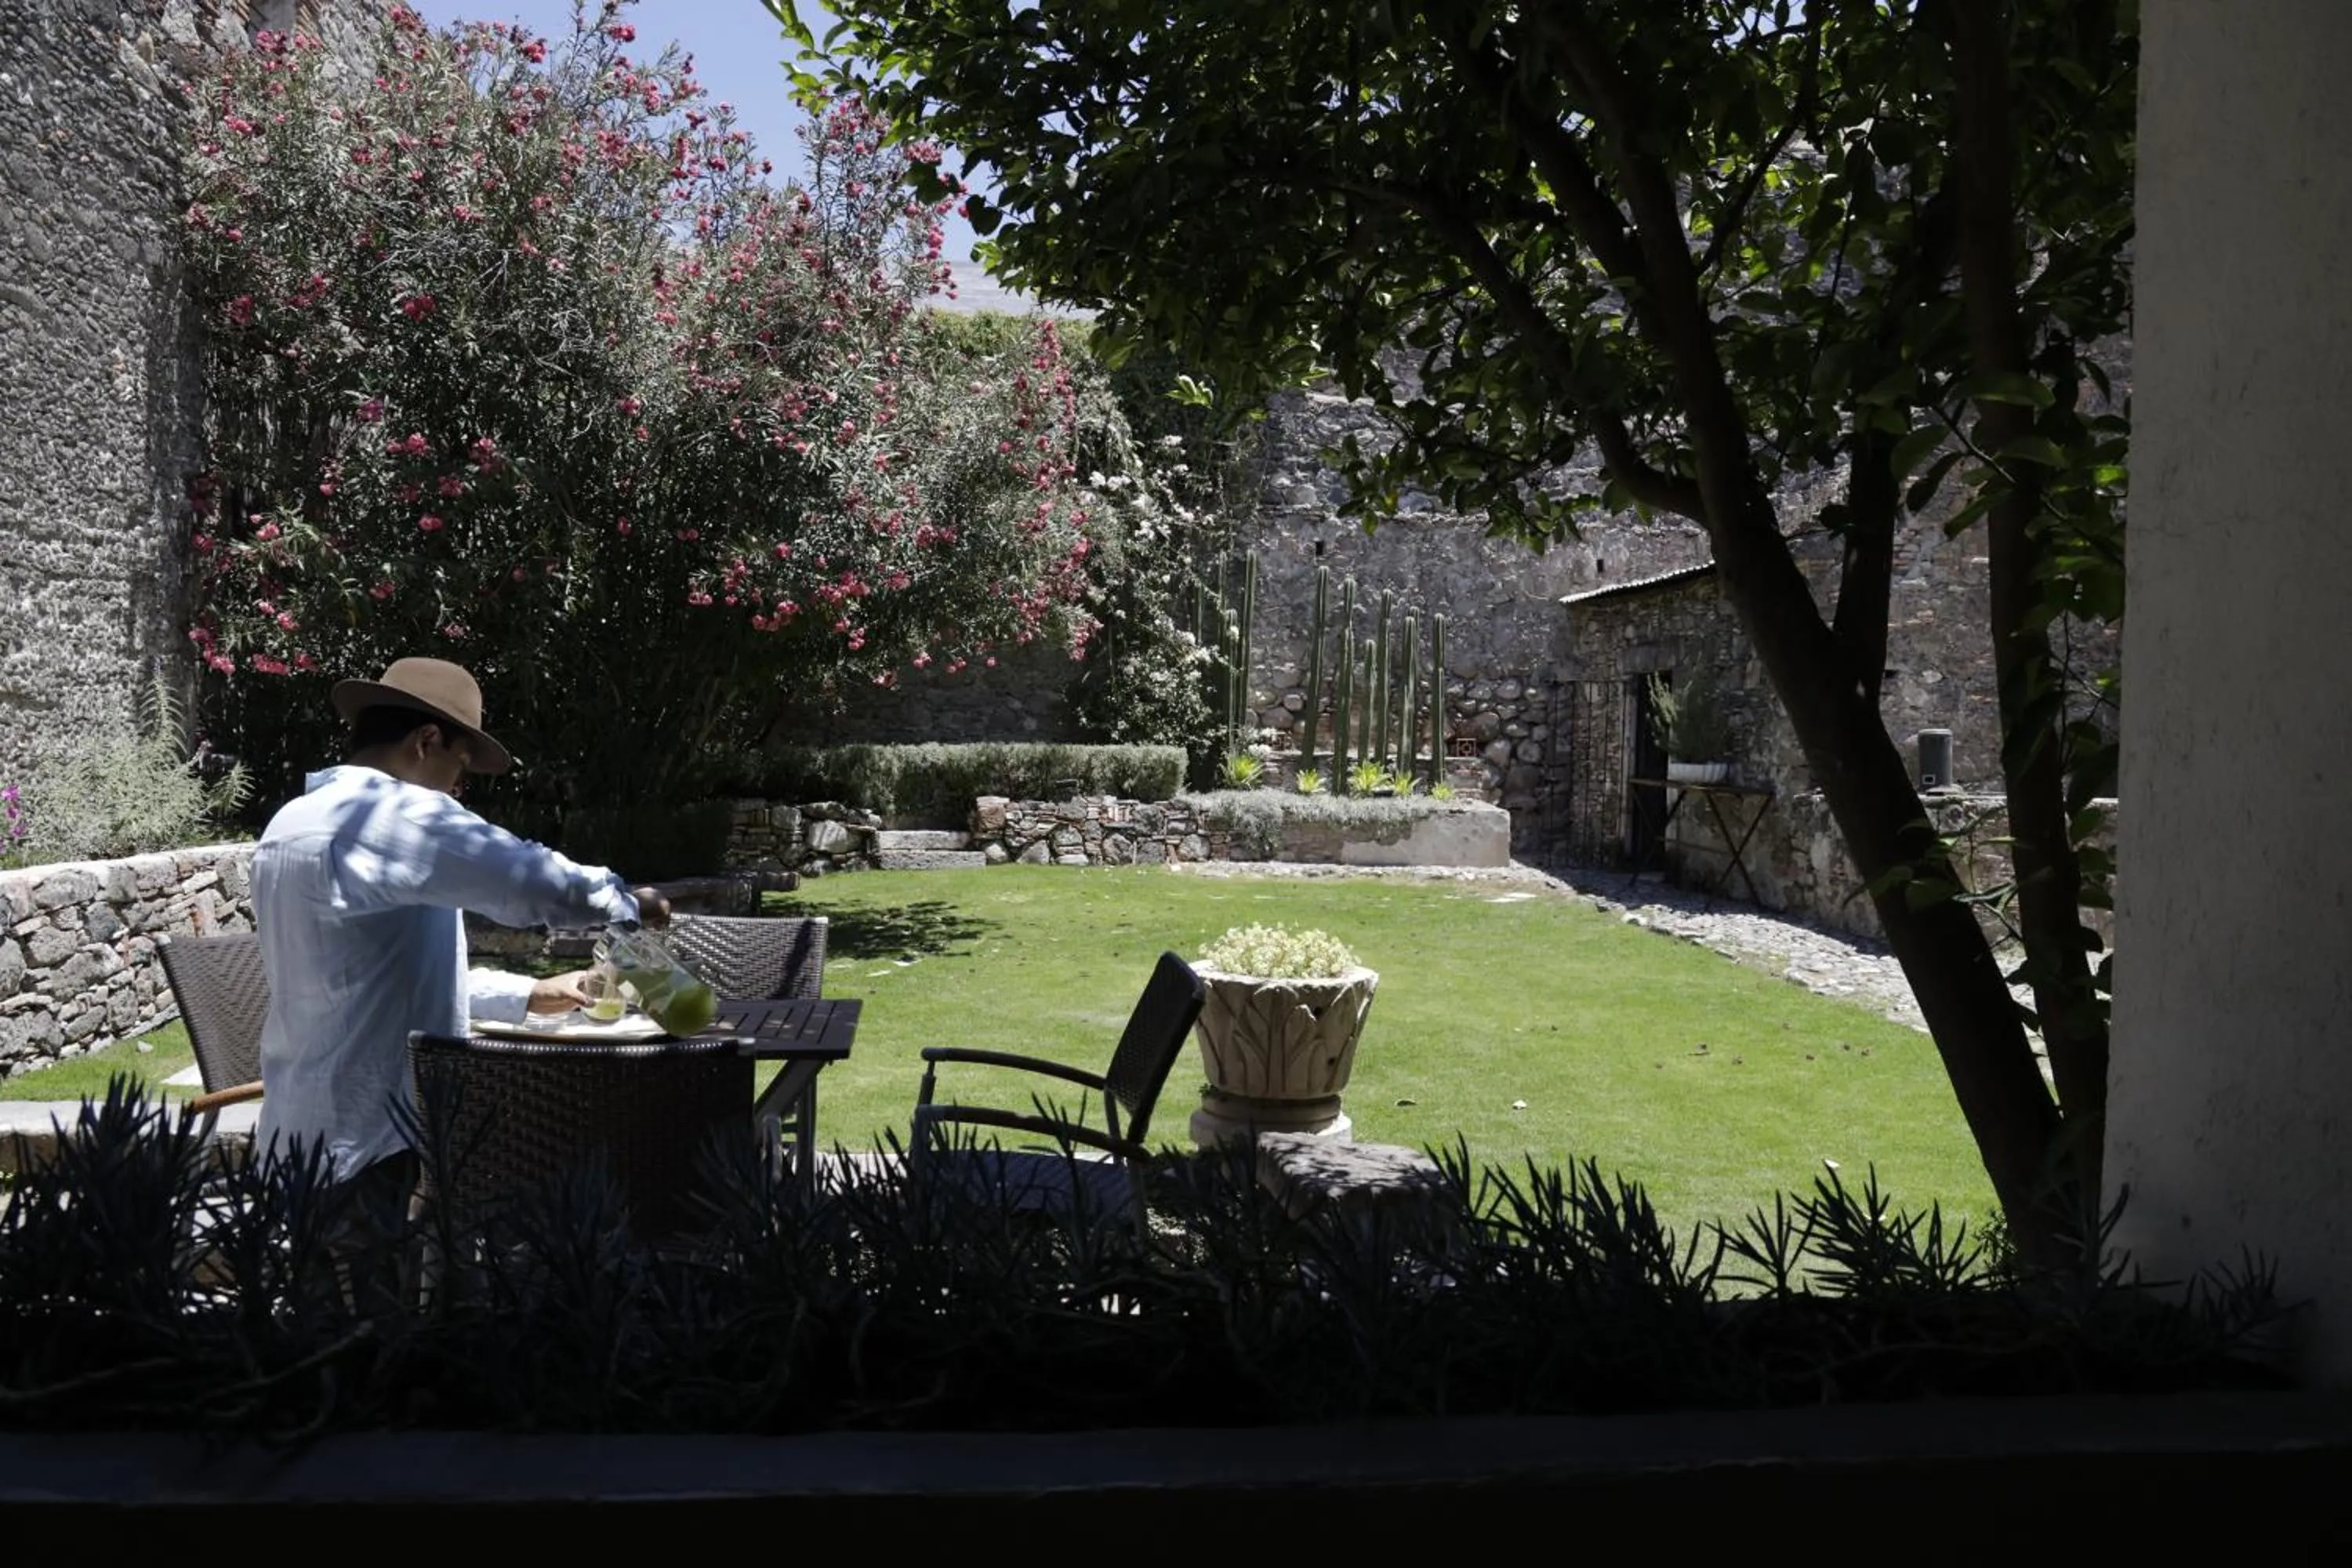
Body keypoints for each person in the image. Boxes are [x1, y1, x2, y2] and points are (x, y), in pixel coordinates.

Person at [250, 657, 669, 1226]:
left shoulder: (290, 824)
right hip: (366, 1142)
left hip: (297, 1126)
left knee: (316, 1307)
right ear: (426, 741)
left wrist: (524, 996)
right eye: (460, 768)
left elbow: (364, 981)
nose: (457, 789)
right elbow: (528, 879)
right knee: (370, 1311)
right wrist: (629, 903)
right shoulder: (387, 817)